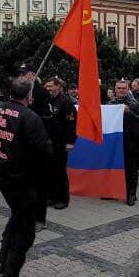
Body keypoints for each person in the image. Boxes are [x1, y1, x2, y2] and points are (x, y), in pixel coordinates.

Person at [0, 77, 52, 277]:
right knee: (25, 230)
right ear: (29, 96)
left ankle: (2, 262)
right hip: (22, 178)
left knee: (17, 217)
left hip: (1, 172)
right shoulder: (30, 117)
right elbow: (43, 153)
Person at [44, 76, 77, 206]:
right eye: (47, 86)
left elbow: (71, 123)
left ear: (58, 86)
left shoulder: (66, 102)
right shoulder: (45, 100)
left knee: (60, 171)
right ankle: (51, 196)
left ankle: (63, 199)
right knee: (49, 170)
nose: (48, 89)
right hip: (47, 141)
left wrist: (70, 141)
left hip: (61, 142)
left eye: (50, 86)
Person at [115, 79, 139, 206]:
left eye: (123, 88)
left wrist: (129, 112)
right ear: (115, 89)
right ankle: (115, 191)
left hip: (131, 140)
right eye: (119, 88)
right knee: (116, 167)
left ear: (128, 90)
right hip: (116, 141)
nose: (121, 90)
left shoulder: (134, 104)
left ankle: (131, 194)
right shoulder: (110, 103)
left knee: (131, 169)